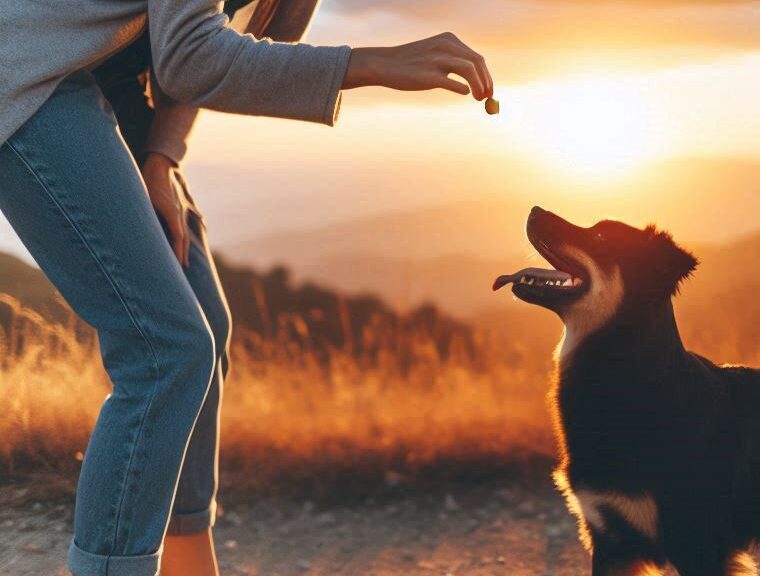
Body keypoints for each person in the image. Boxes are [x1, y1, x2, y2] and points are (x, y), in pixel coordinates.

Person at [0, 2, 494, 575]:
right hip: (23, 71)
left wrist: (161, 157)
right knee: (165, 351)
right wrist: (374, 62)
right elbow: (193, 57)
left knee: (204, 326)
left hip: (101, 79)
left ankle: (190, 563)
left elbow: (193, 41)